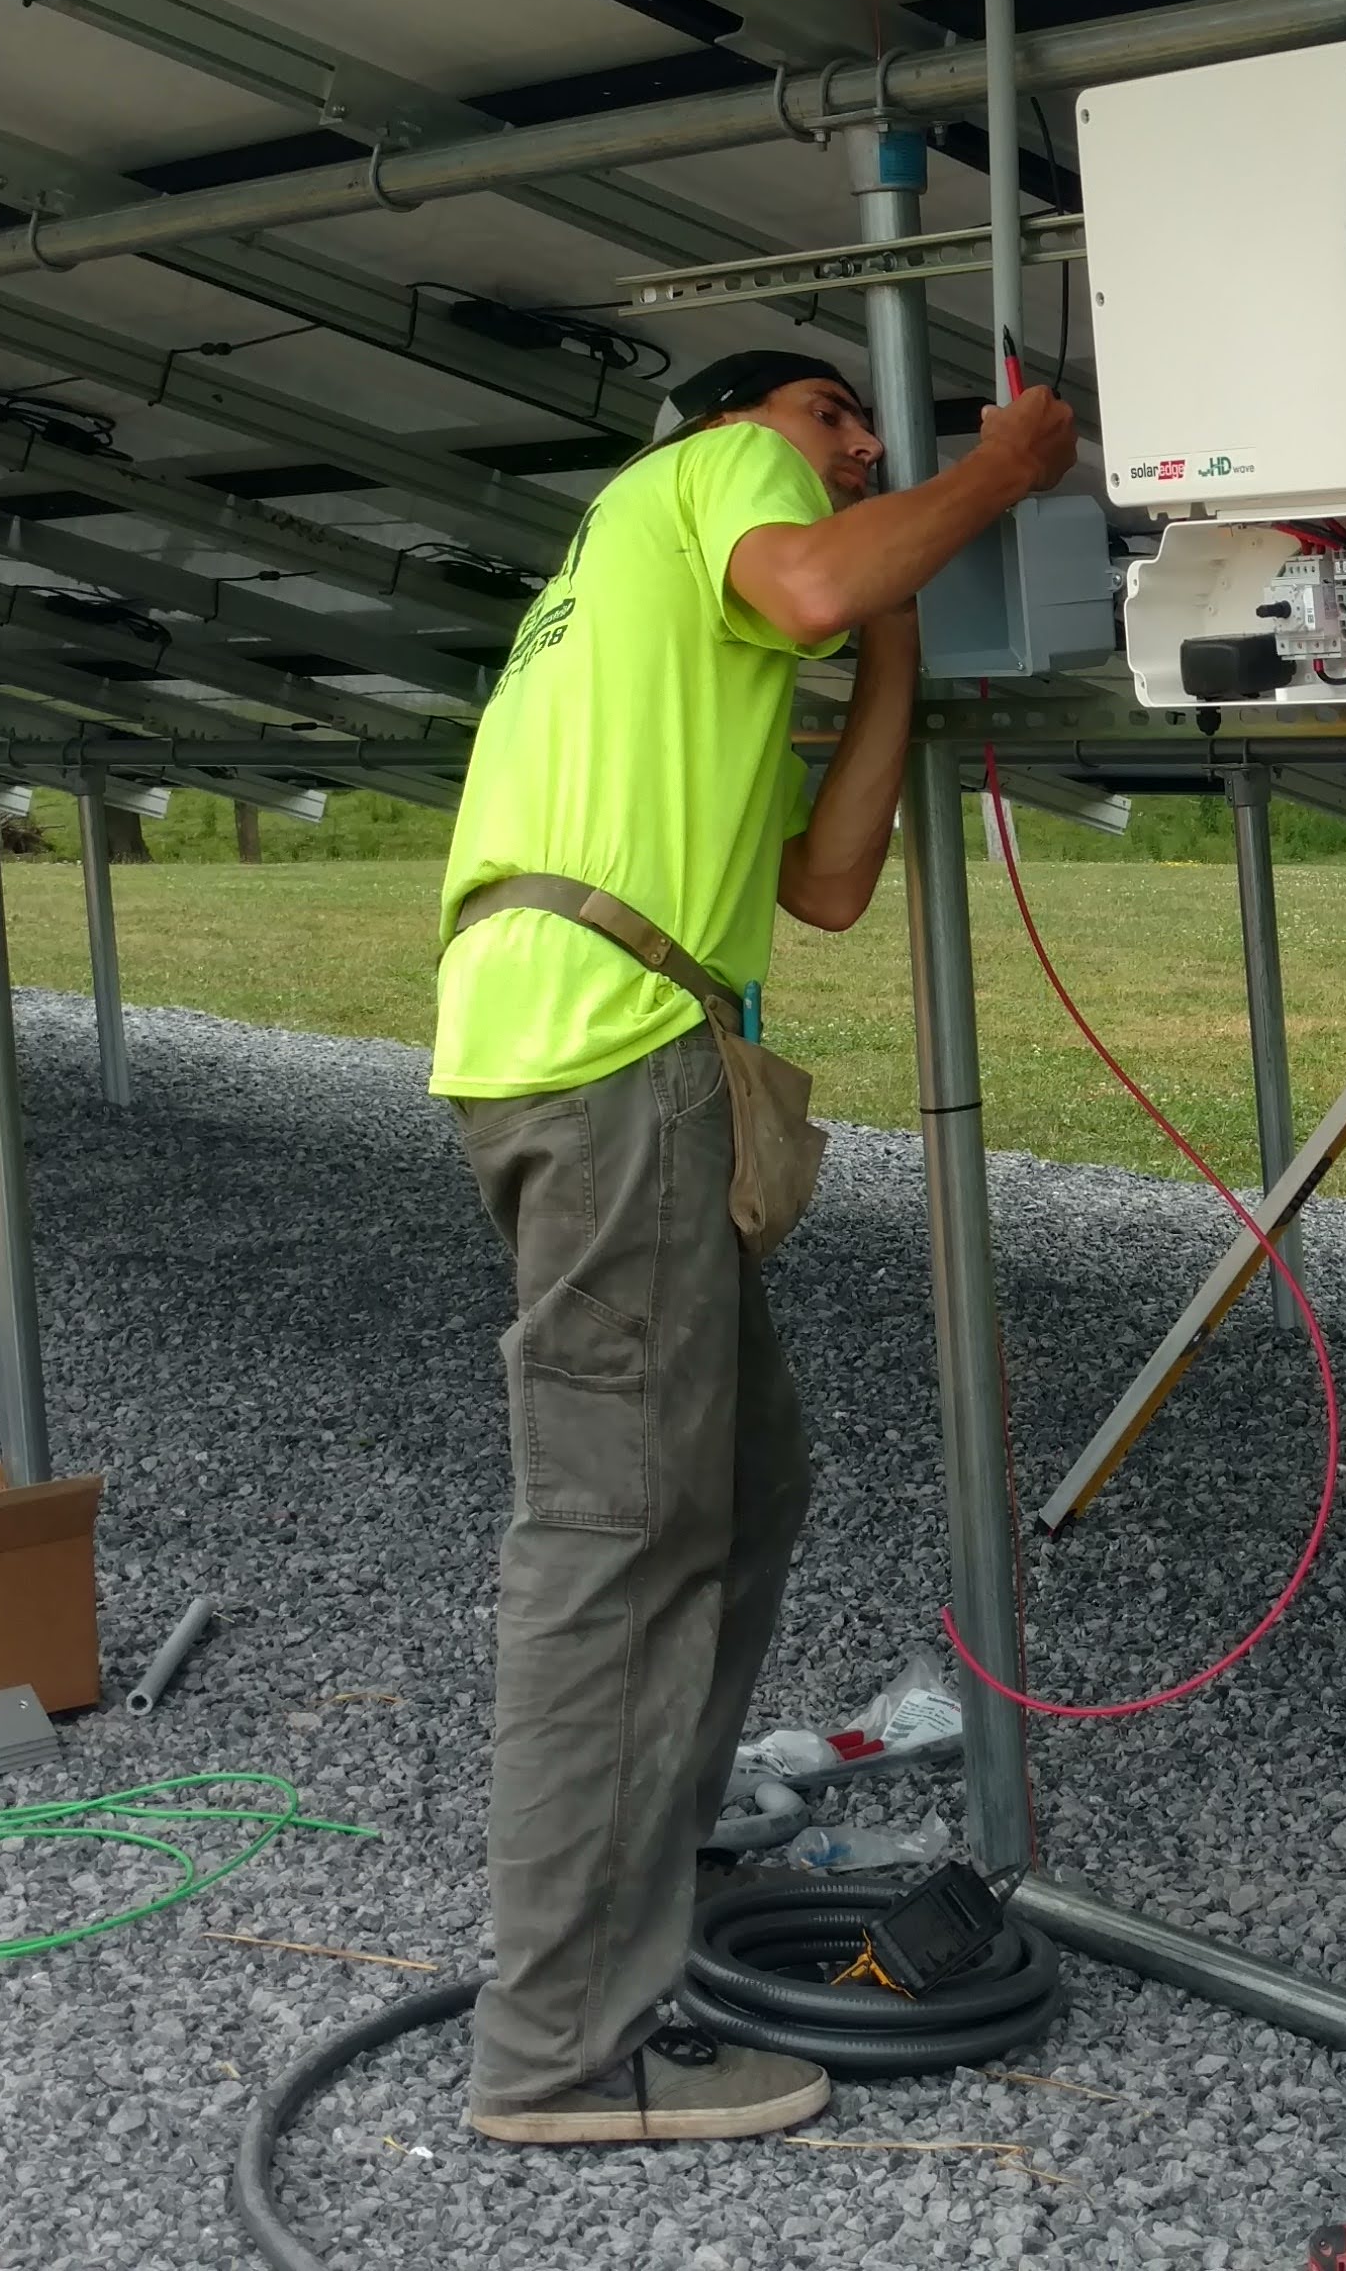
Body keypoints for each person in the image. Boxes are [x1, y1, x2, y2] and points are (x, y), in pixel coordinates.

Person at [429, 342, 1080, 2146]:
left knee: (747, 1482)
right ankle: (562, 2046)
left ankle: (651, 1862)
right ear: (731, 421)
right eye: (829, 413)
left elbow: (830, 880)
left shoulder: (669, 591)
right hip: (618, 1055)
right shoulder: (711, 480)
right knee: (617, 1543)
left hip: (584, 1040)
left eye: (864, 433)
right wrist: (1007, 465)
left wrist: (894, 629)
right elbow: (811, 565)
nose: (856, 443)